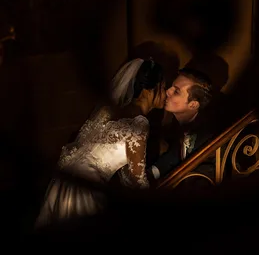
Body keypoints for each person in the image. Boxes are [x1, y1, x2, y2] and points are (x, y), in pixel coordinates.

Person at [34, 57, 166, 228]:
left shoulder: (109, 110)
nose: (166, 93)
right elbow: (136, 179)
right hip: (86, 188)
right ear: (148, 90)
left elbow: (126, 175)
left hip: (65, 180)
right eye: (162, 87)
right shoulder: (139, 123)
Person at [148, 67, 214, 183]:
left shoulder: (206, 136)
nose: (168, 91)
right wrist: (149, 174)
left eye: (176, 91)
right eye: (171, 87)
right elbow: (173, 156)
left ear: (193, 105)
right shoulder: (181, 124)